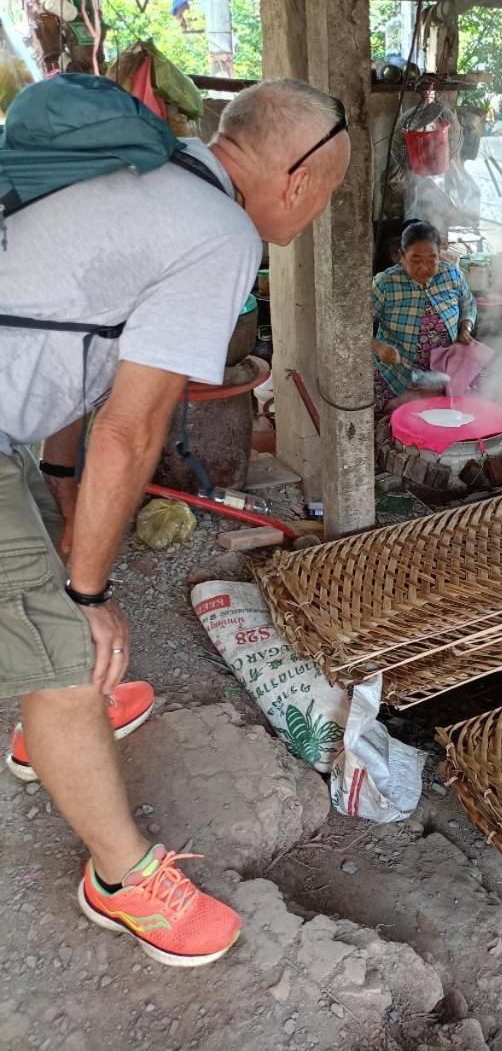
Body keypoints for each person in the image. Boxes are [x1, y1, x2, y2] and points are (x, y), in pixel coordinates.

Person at [0, 77, 350, 966]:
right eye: (329, 191)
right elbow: (133, 426)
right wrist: (86, 593)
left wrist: (70, 513)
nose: (317, 210)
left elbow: (79, 364)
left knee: (57, 611)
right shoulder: (219, 231)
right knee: (69, 653)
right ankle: (121, 880)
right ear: (298, 177)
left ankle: (48, 733)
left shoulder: (154, 180)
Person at [372, 220, 477, 414]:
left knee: (473, 402)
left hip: (444, 368)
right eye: (416, 260)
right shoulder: (385, 284)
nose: (424, 268)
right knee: (413, 409)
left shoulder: (451, 275)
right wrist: (378, 347)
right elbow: (356, 325)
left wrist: (465, 328)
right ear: (401, 256)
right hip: (398, 373)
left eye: (431, 260)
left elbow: (468, 302)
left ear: (440, 255)